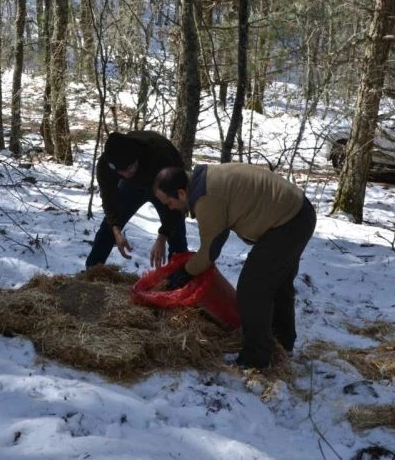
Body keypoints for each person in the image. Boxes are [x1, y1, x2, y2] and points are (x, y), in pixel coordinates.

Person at [153, 163, 316, 370]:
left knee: (251, 289)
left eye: (169, 203)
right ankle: (282, 344)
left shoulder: (206, 198)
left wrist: (185, 272)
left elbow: (209, 252)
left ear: (181, 193)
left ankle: (255, 359)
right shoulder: (203, 182)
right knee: (277, 284)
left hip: (289, 221)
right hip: (298, 212)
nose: (170, 208)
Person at [86, 131, 188, 269]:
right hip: (132, 187)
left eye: (130, 167)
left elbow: (179, 202)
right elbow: (109, 201)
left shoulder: (160, 156)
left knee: (176, 234)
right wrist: (116, 230)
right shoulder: (106, 166)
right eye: (122, 171)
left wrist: (163, 236)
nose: (127, 173)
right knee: (109, 228)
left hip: (163, 183)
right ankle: (92, 271)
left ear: (136, 157)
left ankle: (180, 274)